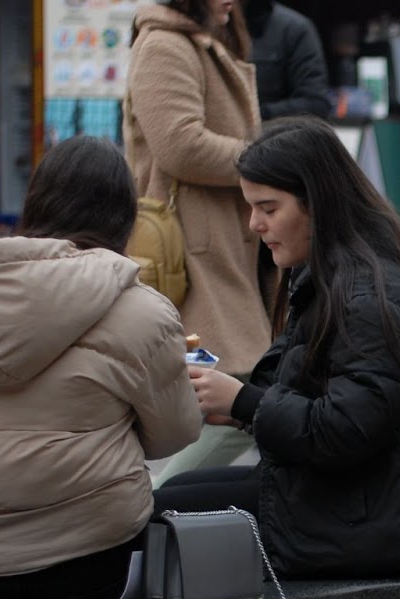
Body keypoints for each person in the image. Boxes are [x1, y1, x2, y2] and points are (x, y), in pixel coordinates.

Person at [154, 117, 400, 579]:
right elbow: (294, 387)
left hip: (383, 517)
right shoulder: (331, 274)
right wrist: (223, 395)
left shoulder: (373, 299)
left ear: (318, 205)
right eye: (251, 207)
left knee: (162, 517)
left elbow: (344, 430)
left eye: (268, 207)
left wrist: (243, 401)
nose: (254, 224)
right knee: (177, 493)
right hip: (359, 499)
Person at [0, 136, 201, 599]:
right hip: (96, 556)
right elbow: (174, 435)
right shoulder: (143, 312)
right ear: (125, 217)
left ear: (35, 204)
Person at [125, 0, 272, 484]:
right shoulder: (164, 44)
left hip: (223, 248)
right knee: (239, 402)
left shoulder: (201, 42)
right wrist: (266, 158)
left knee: (236, 400)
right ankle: (154, 509)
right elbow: (180, 145)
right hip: (192, 255)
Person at [245, 0, 331, 120]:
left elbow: (316, 104)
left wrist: (258, 114)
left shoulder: (294, 28)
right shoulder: (216, 27)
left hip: (270, 133)